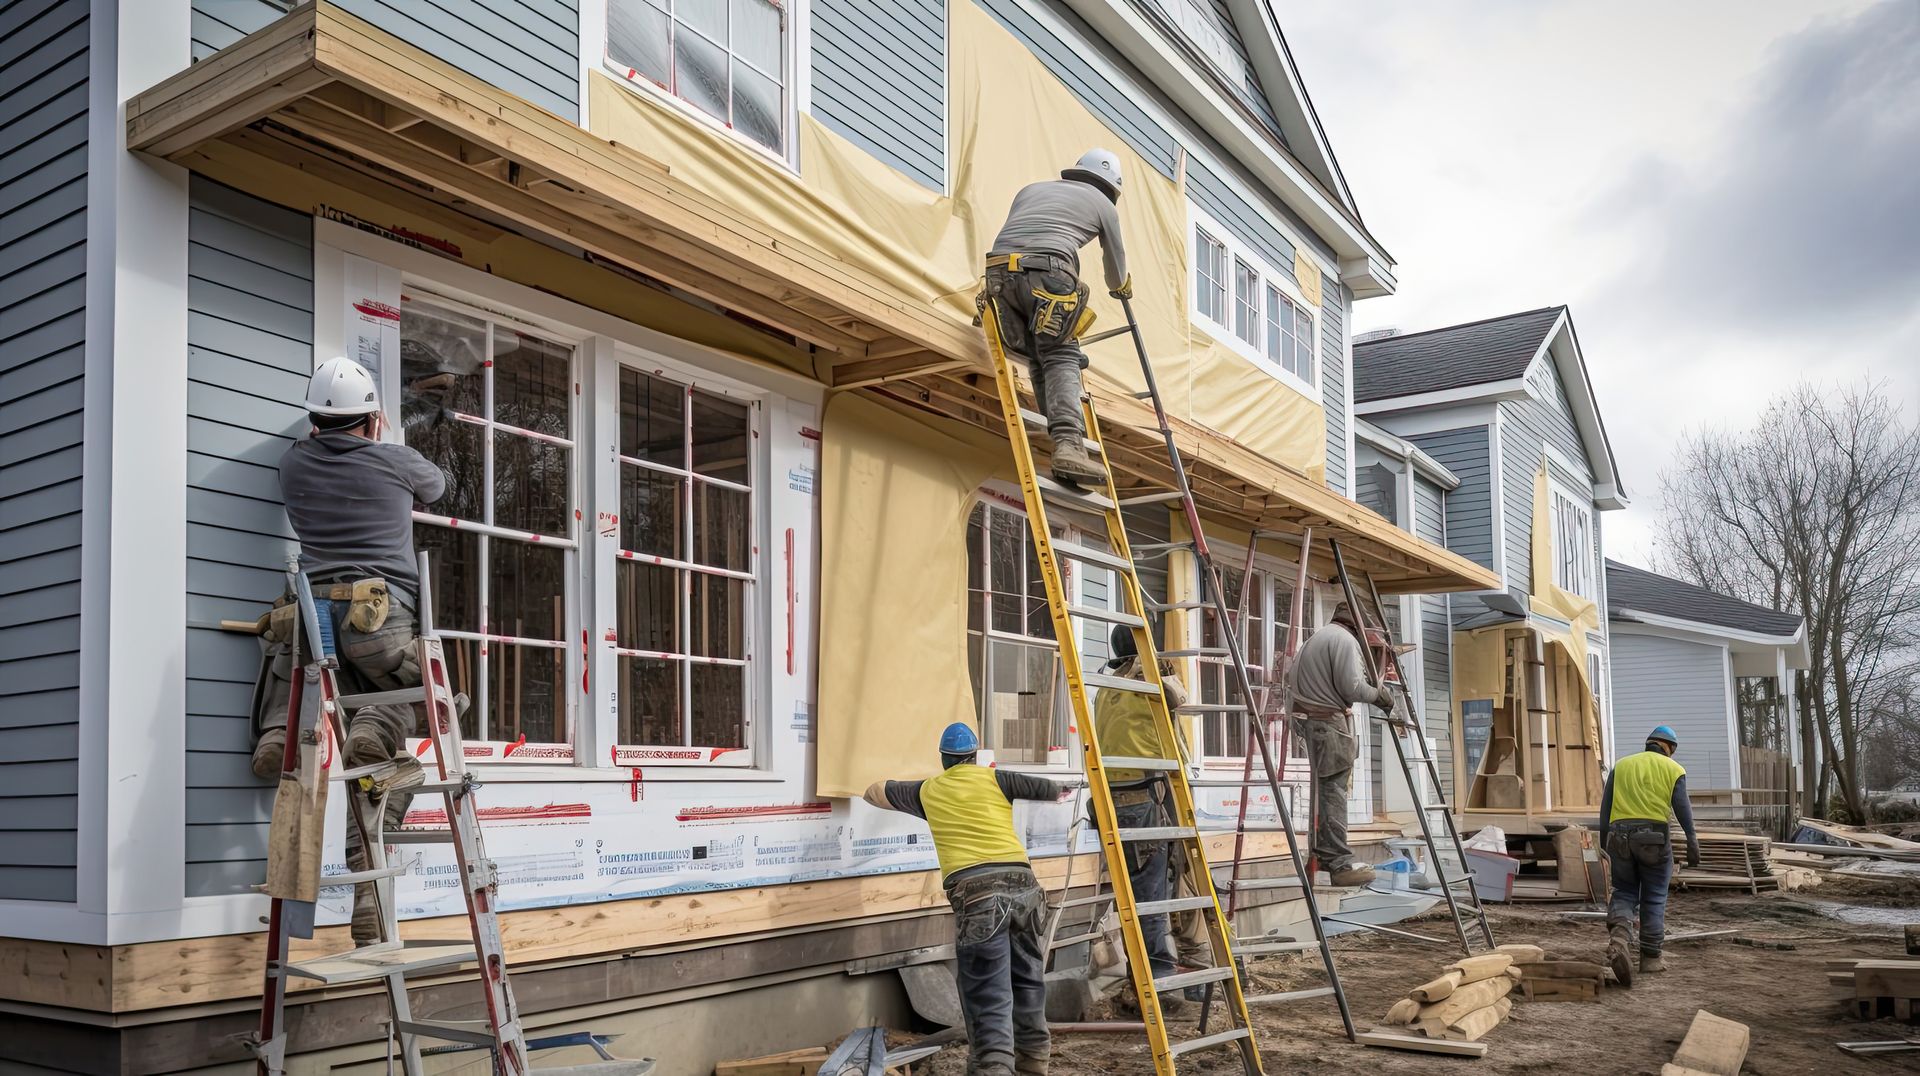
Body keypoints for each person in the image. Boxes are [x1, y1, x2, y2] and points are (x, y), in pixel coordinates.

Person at [265, 356, 449, 944]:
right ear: (370, 419)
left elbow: (318, 444)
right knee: (403, 697)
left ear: (315, 419)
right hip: (379, 610)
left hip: (315, 613)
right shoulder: (392, 458)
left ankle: (280, 733)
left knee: (330, 702)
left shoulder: (293, 465)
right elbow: (439, 486)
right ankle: (376, 730)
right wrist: (384, 436)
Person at [865, 724, 1064, 1076]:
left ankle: (994, 1067)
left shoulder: (928, 791)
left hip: (979, 896)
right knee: (1027, 977)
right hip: (1025, 888)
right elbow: (1051, 789)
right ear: (975, 756)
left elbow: (874, 792)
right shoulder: (997, 780)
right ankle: (1033, 1060)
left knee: (988, 989)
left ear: (944, 759)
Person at [981, 148, 1130, 488]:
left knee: (1039, 349)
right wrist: (1122, 288)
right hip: (1049, 273)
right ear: (1112, 186)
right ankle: (1069, 444)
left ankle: (1063, 444)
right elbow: (1115, 265)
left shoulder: (1031, 190)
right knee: (1061, 353)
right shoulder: (1104, 204)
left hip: (998, 275)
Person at [1090, 625, 1206, 1008]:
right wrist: (1155, 670)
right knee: (1155, 898)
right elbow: (1181, 697)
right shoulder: (1146, 684)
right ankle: (1159, 989)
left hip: (1115, 801)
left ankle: (1157, 981)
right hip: (1149, 798)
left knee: (1142, 895)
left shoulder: (1106, 689)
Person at [1289, 603, 1400, 887]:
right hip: (1327, 724)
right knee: (1333, 794)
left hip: (1315, 720)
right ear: (1358, 628)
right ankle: (1338, 864)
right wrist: (1381, 696)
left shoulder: (1322, 636)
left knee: (1325, 792)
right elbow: (1352, 688)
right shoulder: (1345, 641)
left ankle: (1323, 855)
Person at [1598, 725, 1700, 986]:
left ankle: (1619, 938)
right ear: (1670, 749)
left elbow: (1605, 808)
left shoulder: (1621, 766)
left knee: (1623, 890)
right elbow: (1681, 807)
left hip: (1618, 837)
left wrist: (1604, 844)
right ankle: (1651, 958)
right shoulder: (1673, 769)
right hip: (1653, 839)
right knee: (1654, 896)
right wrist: (1691, 839)